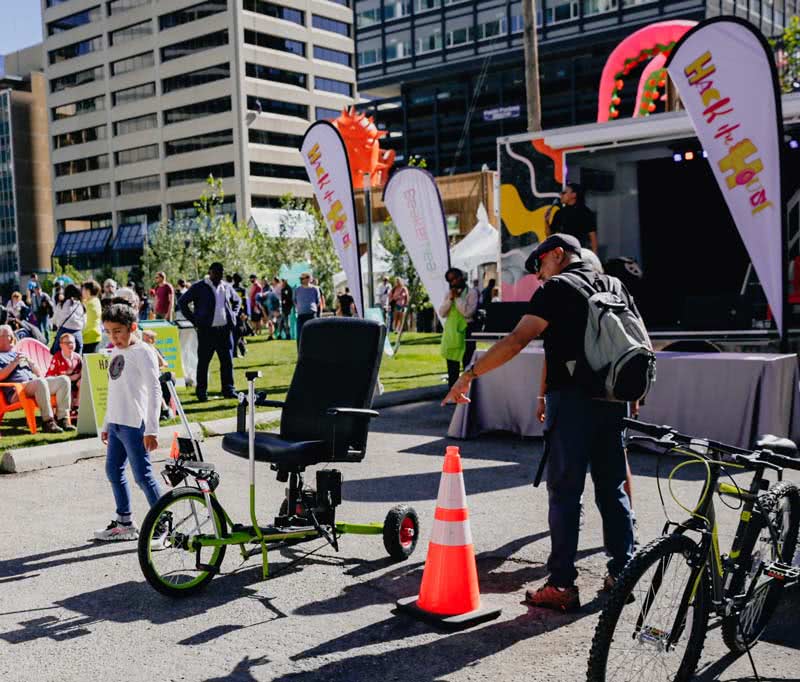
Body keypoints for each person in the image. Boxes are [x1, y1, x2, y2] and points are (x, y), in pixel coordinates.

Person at [442, 234, 636, 612]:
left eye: (541, 266)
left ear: (559, 256)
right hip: (614, 400)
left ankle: (562, 585)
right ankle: (623, 573)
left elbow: (517, 341)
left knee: (565, 493)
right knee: (613, 487)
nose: (539, 277)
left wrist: (469, 374)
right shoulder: (614, 284)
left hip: (574, 403)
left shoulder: (559, 288)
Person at [93, 304, 164, 542]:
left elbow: (155, 391)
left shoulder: (144, 352)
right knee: (113, 471)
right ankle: (125, 523)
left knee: (143, 476)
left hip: (135, 425)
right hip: (116, 424)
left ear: (132, 327)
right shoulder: (115, 351)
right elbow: (115, 391)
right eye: (108, 332)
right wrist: (106, 424)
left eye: (118, 331)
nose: (113, 337)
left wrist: (152, 429)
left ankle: (164, 525)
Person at [178, 262, 240, 401]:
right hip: (207, 331)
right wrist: (195, 320)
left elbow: (237, 301)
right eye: (217, 273)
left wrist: (233, 315)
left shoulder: (226, 287)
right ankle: (201, 393)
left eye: (221, 273)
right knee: (204, 362)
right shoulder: (199, 287)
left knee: (227, 362)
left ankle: (229, 390)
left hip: (224, 331)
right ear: (210, 272)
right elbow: (182, 302)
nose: (219, 275)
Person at [0, 324, 74, 433]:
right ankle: (48, 422)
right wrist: (14, 362)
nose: (13, 338)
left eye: (12, 335)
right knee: (40, 382)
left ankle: (63, 419)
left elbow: (40, 374)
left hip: (35, 384)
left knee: (64, 380)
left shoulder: (18, 353)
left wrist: (31, 363)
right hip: (17, 390)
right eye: (9, 335)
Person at [439, 268, 479, 388]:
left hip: (467, 331)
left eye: (456, 278)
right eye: (451, 280)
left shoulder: (472, 293)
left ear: (461, 276)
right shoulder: (449, 294)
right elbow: (442, 313)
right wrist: (451, 299)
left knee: (468, 364)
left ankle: (469, 391)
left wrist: (457, 298)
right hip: (452, 333)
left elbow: (467, 313)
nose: (454, 282)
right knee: (452, 366)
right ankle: (453, 392)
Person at [546, 182, 598, 253]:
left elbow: (593, 237)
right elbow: (550, 236)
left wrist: (594, 258)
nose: (561, 195)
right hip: (563, 253)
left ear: (574, 195)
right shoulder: (560, 213)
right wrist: (546, 222)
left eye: (564, 193)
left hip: (579, 252)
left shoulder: (585, 213)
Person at [47, 332, 82, 417]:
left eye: (72, 342)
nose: (70, 345)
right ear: (61, 345)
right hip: (60, 384)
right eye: (67, 343)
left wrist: (78, 376)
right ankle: (68, 411)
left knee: (82, 382)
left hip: (75, 383)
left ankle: (77, 408)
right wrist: (69, 378)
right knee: (66, 384)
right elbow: (52, 377)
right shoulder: (57, 357)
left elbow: (84, 371)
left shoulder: (77, 357)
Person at [52, 284, 86, 353]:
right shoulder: (81, 305)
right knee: (77, 357)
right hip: (77, 333)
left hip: (63, 332)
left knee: (58, 354)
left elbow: (55, 319)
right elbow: (84, 322)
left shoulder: (61, 304)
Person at [294, 272, 321, 346]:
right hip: (301, 316)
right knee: (299, 336)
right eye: (300, 278)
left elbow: (318, 302)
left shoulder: (315, 289)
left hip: (311, 315)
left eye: (302, 278)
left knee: (313, 336)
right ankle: (300, 355)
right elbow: (295, 302)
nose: (301, 280)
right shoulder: (297, 290)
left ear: (308, 279)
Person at [29, 279, 53, 343]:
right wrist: (33, 314)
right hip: (37, 313)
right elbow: (32, 306)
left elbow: (51, 304)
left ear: (41, 289)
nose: (37, 291)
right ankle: (41, 340)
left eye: (38, 289)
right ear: (34, 290)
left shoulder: (45, 295)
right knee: (39, 328)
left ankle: (47, 341)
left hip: (44, 313)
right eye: (36, 289)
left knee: (45, 328)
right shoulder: (33, 296)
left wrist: (46, 304)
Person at [81, 279, 102, 353]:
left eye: (83, 289)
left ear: (88, 290)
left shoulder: (90, 304)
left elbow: (90, 322)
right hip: (92, 336)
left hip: (89, 337)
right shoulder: (94, 300)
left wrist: (80, 333)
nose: (81, 292)